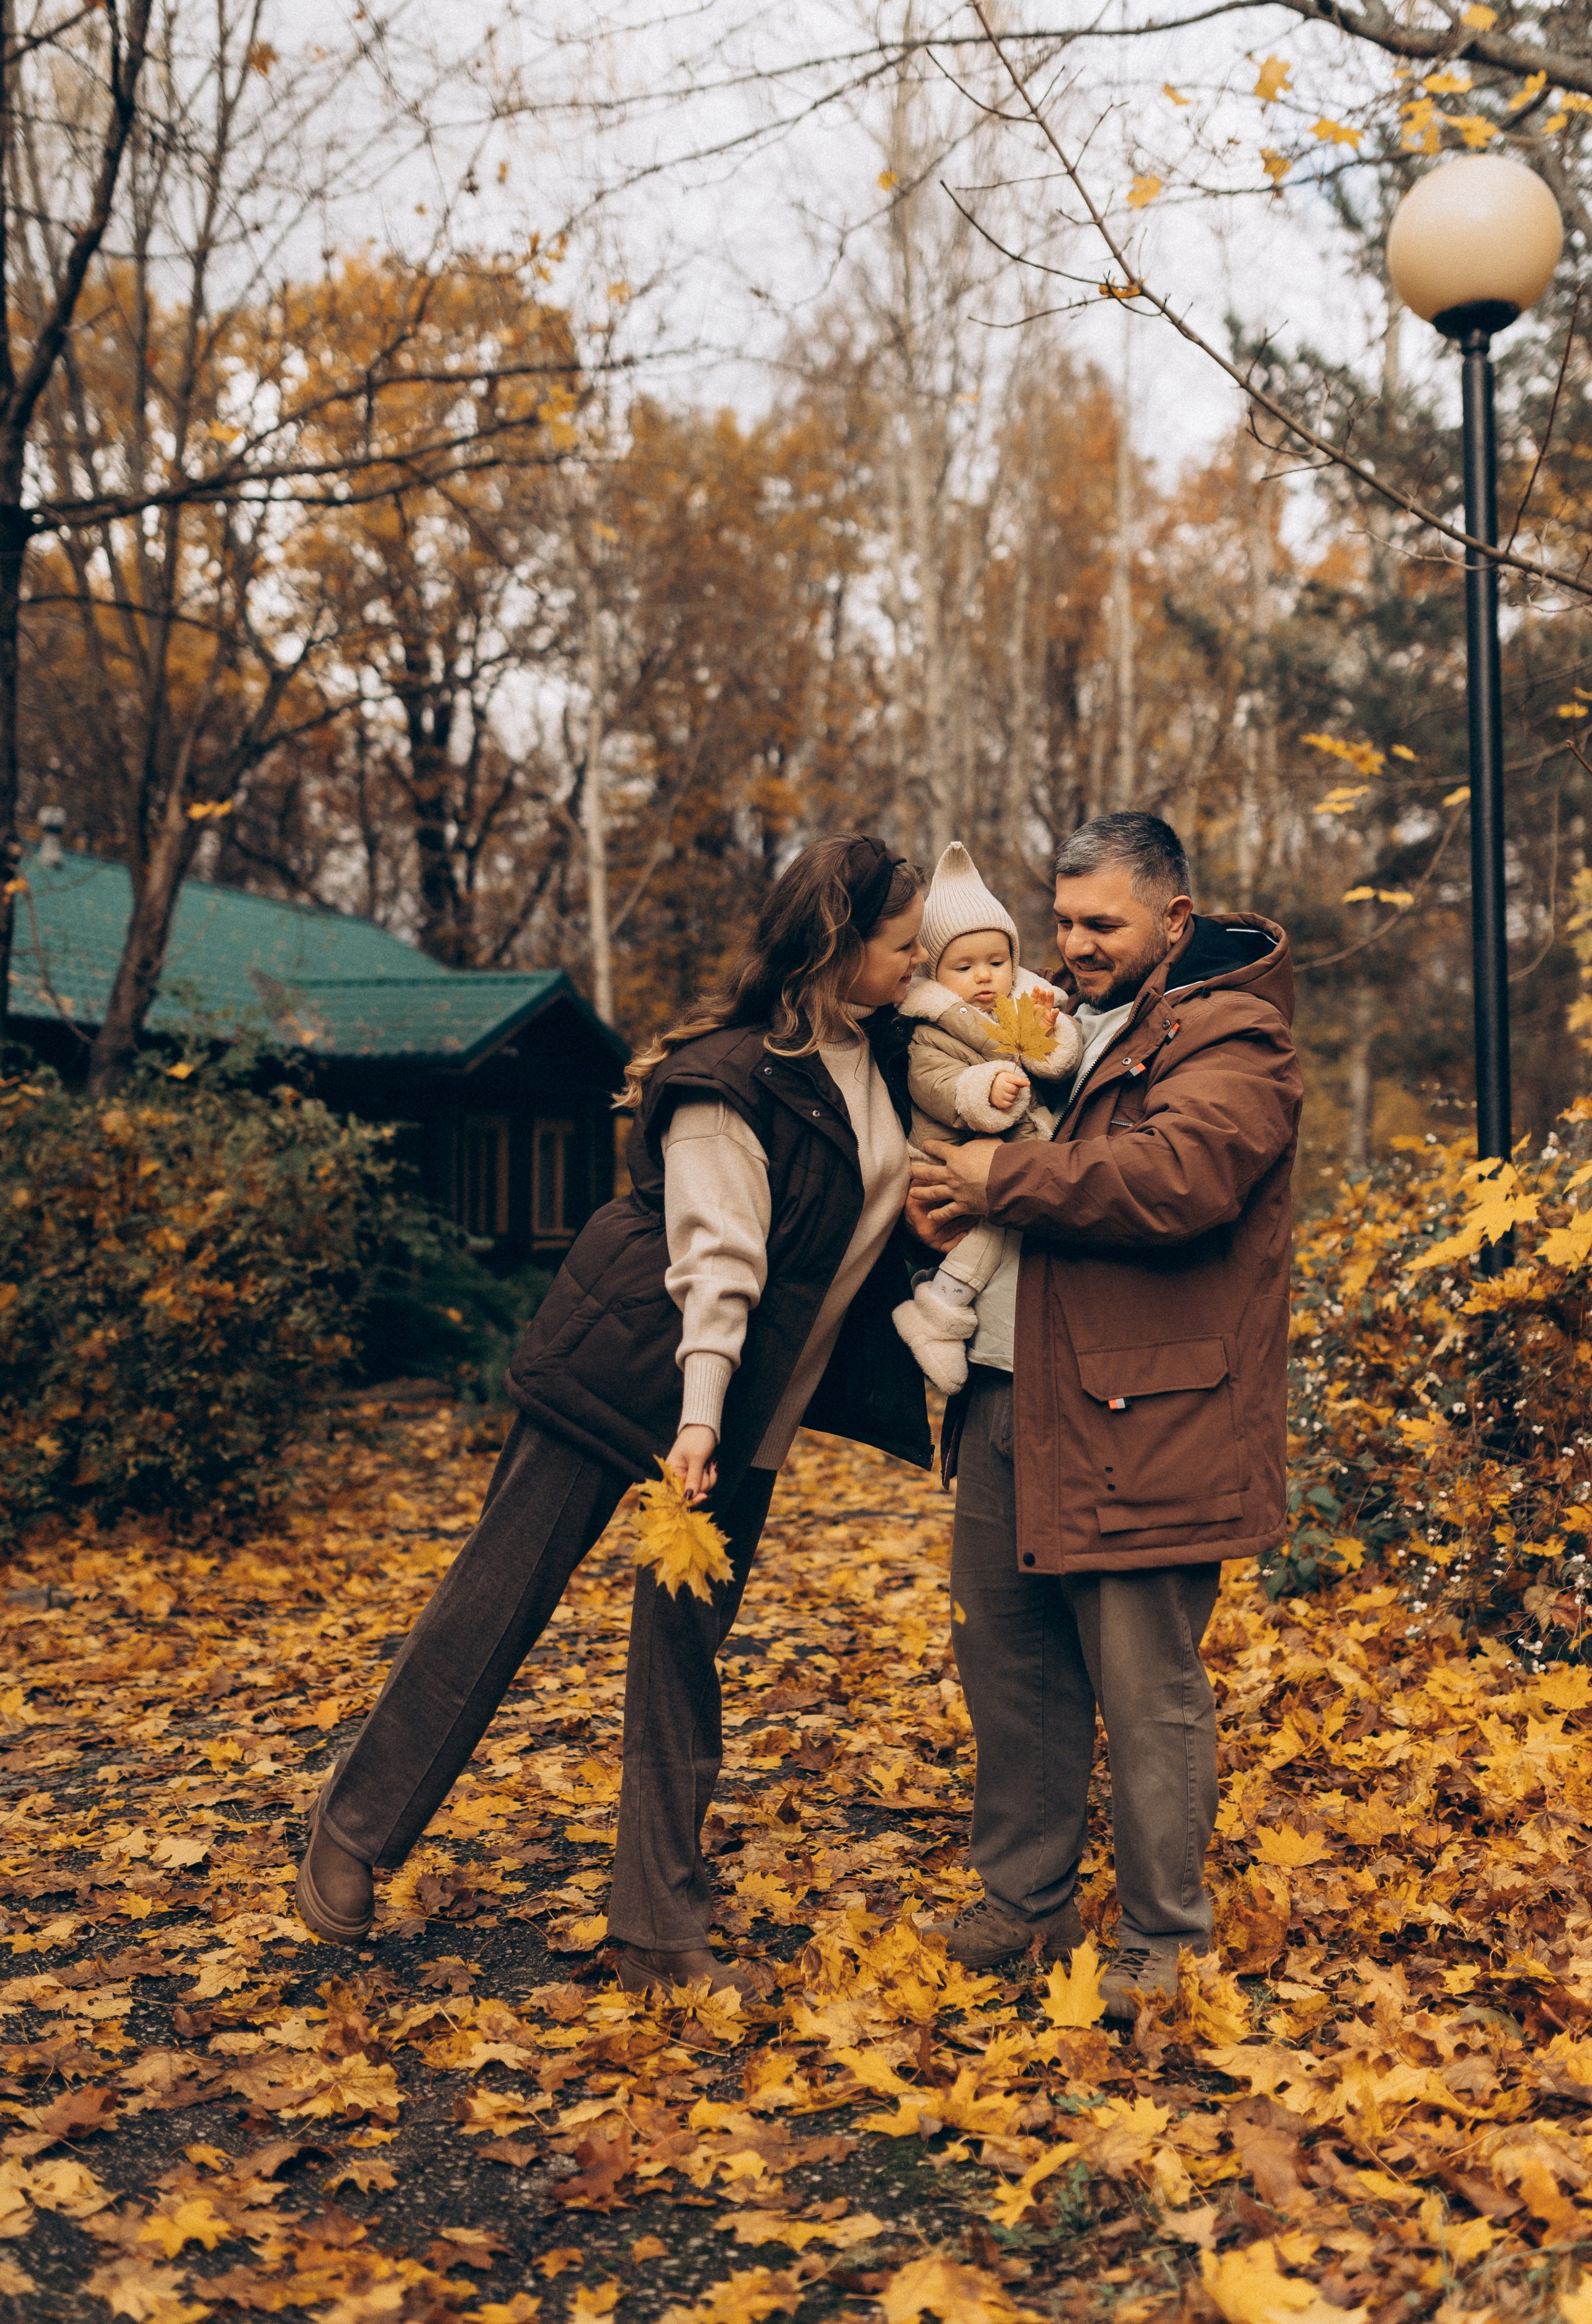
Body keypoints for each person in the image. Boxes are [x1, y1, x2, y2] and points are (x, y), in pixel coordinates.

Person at [294, 836, 933, 1994]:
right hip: (639, 1369)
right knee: (496, 1602)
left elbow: (972, 1008)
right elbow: (719, 1265)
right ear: (842, 949)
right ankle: (353, 1827)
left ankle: (657, 1931)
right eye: (902, 944)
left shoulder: (878, 1052)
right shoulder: (727, 1078)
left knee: (685, 1656)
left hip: (740, 1416)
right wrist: (697, 1419)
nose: (920, 960)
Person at [909, 812, 1301, 2014]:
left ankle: (1161, 1937)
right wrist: (947, 1204)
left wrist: (997, 1177)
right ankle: (1022, 1898)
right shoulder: (1062, 1025)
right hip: (1012, 1388)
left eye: (1101, 923)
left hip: (1151, 1411)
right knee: (1009, 1658)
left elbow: (1178, 1176)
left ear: (1173, 920)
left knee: (1145, 1684)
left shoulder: (1234, 1032)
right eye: (1064, 918)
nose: (1072, 943)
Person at [892, 843, 1081, 1395]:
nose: (984, 978)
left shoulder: (1027, 1003)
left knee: (1010, 1222)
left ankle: (940, 1309)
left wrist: (1048, 1033)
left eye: (997, 963)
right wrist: (984, 1089)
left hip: (1008, 1154)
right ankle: (939, 1310)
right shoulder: (930, 1026)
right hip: (942, 1148)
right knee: (993, 1229)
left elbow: (1056, 1057)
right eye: (964, 966)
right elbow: (933, 1085)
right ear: (934, 968)